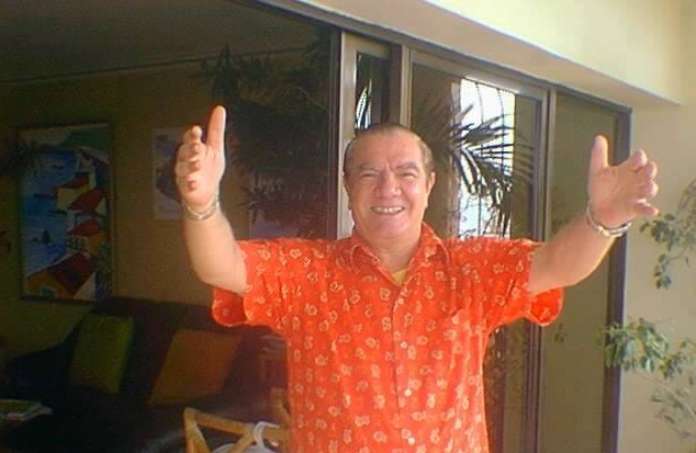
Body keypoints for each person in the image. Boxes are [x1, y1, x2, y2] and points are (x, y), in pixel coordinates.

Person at [176, 106, 659, 453]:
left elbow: (557, 264)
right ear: (348, 187)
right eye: (369, 174)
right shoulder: (308, 274)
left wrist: (603, 218)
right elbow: (222, 266)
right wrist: (202, 204)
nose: (389, 188)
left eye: (406, 173)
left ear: (429, 185)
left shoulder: (472, 270)